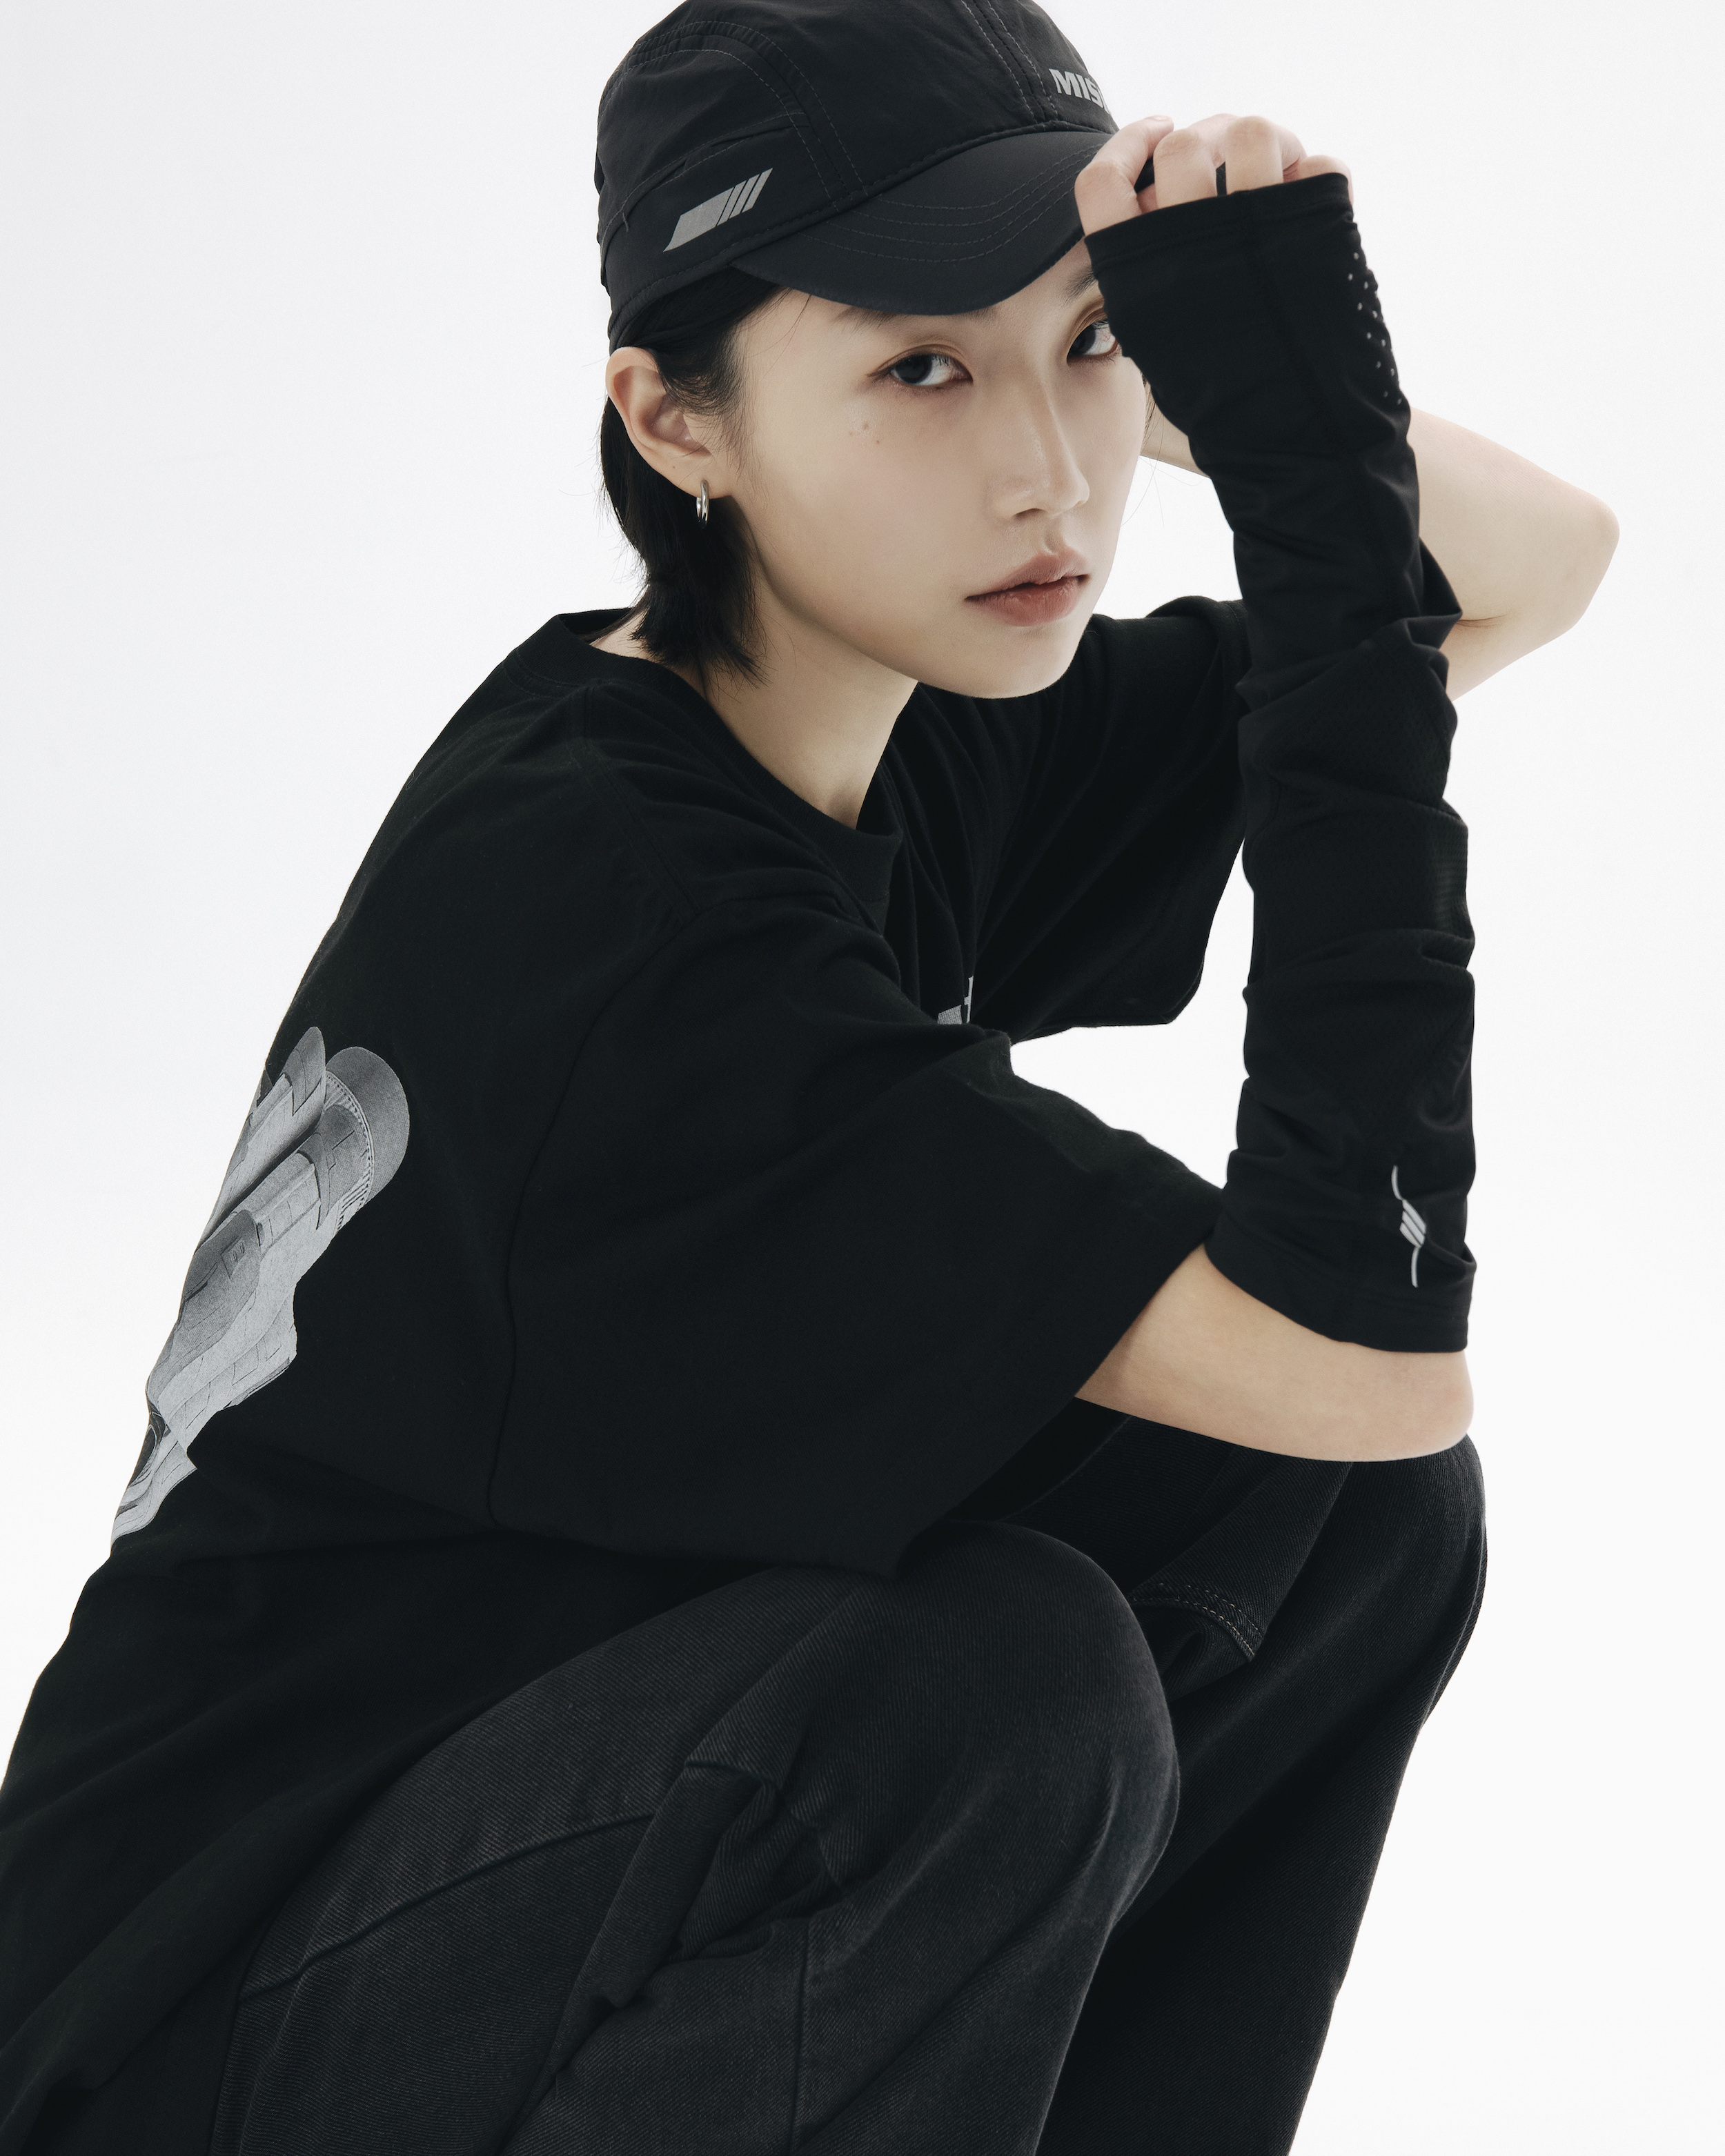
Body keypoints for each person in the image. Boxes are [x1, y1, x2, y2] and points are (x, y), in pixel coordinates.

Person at [0, 2, 1618, 2151]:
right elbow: (1359, 1346)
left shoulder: (858, 704)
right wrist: (1303, 485)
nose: (1047, 473)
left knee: (1325, 1521)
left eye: (1085, 345)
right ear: (676, 419)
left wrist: (1231, 379)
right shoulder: (628, 922)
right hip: (188, 2035)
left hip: (506, 1834)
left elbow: (1531, 567)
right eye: (918, 370)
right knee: (987, 1684)